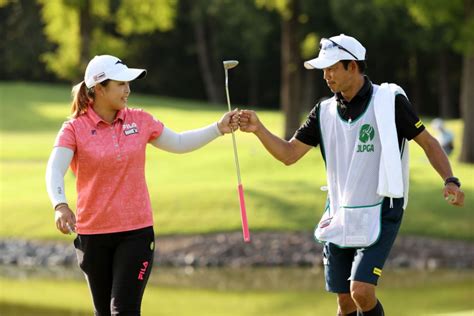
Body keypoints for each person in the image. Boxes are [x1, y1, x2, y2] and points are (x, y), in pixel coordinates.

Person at [237, 34, 464, 316]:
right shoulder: (323, 111)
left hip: (383, 208)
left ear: (353, 66)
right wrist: (258, 128)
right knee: (344, 302)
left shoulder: (389, 102)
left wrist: (450, 180)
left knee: (361, 292)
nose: (326, 75)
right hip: (341, 210)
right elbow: (288, 154)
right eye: (324, 69)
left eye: (332, 68)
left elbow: (429, 143)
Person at [45, 54, 238, 315]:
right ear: (99, 88)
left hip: (136, 233)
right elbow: (55, 168)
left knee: (123, 311)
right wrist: (60, 204)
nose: (128, 89)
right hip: (93, 235)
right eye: (121, 84)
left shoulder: (140, 120)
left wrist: (218, 128)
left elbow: (179, 142)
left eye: (128, 83)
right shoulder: (74, 129)